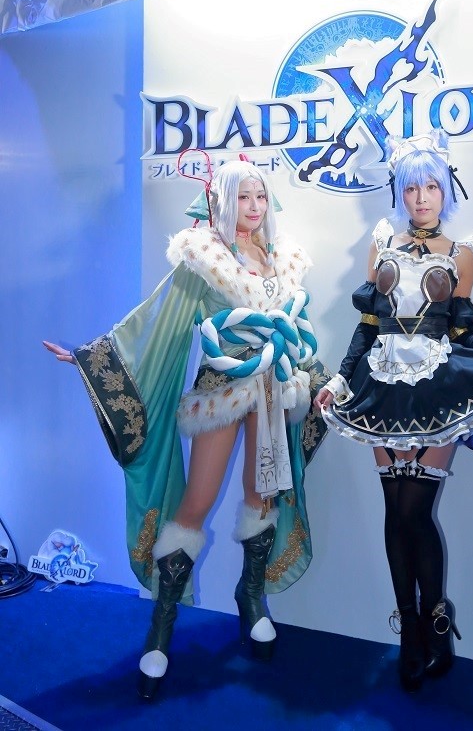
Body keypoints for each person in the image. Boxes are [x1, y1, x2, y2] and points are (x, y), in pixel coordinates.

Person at [44, 157, 328, 700]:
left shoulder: (282, 258)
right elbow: (156, 319)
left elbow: (297, 330)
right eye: (243, 197)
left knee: (261, 496)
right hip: (222, 389)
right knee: (195, 503)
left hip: (273, 390)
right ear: (223, 200)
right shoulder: (203, 257)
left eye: (260, 197)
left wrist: (321, 379)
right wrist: (91, 357)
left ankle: (251, 597)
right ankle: (162, 624)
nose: (253, 207)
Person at [313, 130, 473, 692]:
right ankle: (410, 633)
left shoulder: (461, 252)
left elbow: (462, 335)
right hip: (380, 388)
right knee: (394, 513)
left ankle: (436, 622)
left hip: (437, 389)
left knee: (416, 513)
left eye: (431, 186)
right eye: (411, 187)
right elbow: (367, 328)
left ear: (445, 190)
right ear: (398, 191)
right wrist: (339, 379)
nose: (421, 197)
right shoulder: (381, 245)